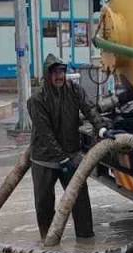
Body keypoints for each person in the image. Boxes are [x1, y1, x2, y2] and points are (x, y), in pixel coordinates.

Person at [28, 55, 106, 240]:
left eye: (62, 72)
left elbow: (89, 109)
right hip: (44, 159)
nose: (59, 76)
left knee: (80, 200)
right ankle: (48, 241)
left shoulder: (74, 90)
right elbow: (45, 134)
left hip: (71, 154)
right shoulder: (36, 100)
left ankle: (86, 239)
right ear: (47, 75)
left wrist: (101, 129)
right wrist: (60, 158)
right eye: (55, 72)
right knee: (44, 202)